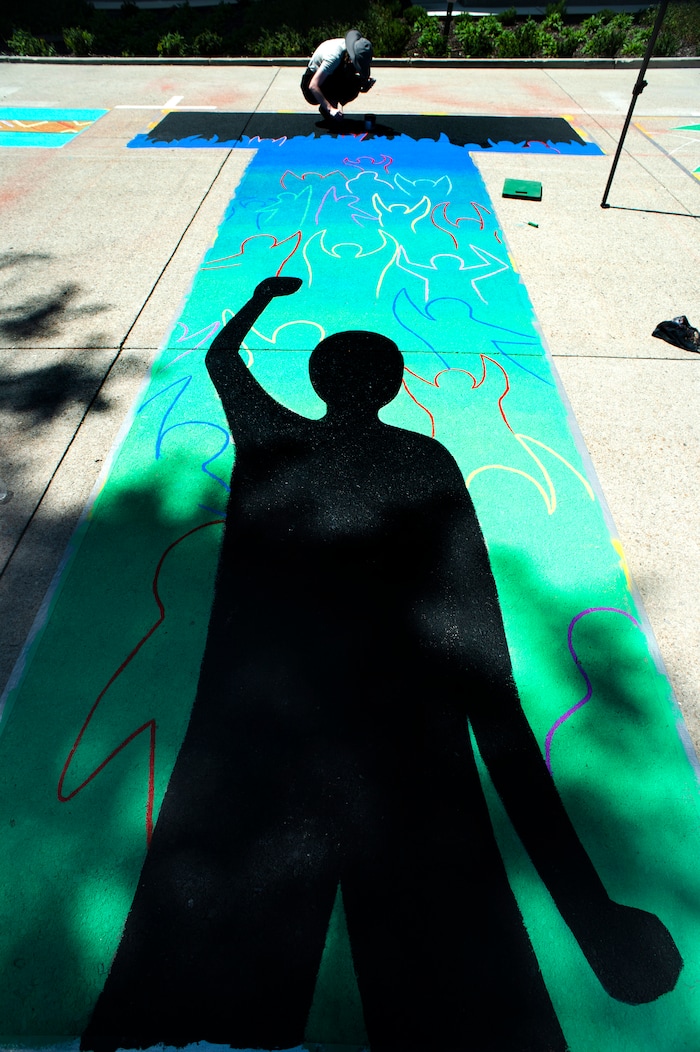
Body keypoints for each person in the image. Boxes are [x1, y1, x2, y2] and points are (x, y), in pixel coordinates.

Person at [81, 276, 682, 1052]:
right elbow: (479, 647)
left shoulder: (274, 440)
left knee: (211, 989)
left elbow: (221, 360)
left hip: (267, 744)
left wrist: (263, 299)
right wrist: (589, 907)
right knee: (448, 994)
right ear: (394, 387)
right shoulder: (425, 462)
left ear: (319, 382)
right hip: (409, 750)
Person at [301, 28, 375, 121]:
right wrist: (331, 109)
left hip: (329, 77)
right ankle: (328, 106)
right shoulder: (334, 57)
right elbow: (313, 86)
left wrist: (363, 85)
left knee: (355, 83)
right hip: (310, 85)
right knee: (350, 82)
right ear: (352, 59)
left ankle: (330, 104)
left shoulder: (349, 52)